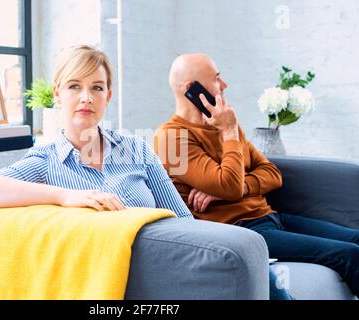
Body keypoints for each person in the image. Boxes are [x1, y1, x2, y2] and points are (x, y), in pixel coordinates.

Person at [153, 52, 359, 298]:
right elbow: (229, 185)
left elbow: (272, 174)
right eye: (217, 79)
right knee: (349, 254)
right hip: (244, 232)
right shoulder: (171, 138)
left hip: (271, 217)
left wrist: (228, 189)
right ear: (191, 88)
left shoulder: (224, 124)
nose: (224, 85)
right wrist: (229, 133)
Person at [0, 44, 192, 219]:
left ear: (107, 97)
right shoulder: (45, 161)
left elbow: (183, 220)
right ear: (57, 94)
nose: (87, 98)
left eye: (97, 88)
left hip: (159, 266)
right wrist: (65, 196)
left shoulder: (137, 149)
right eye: (74, 86)